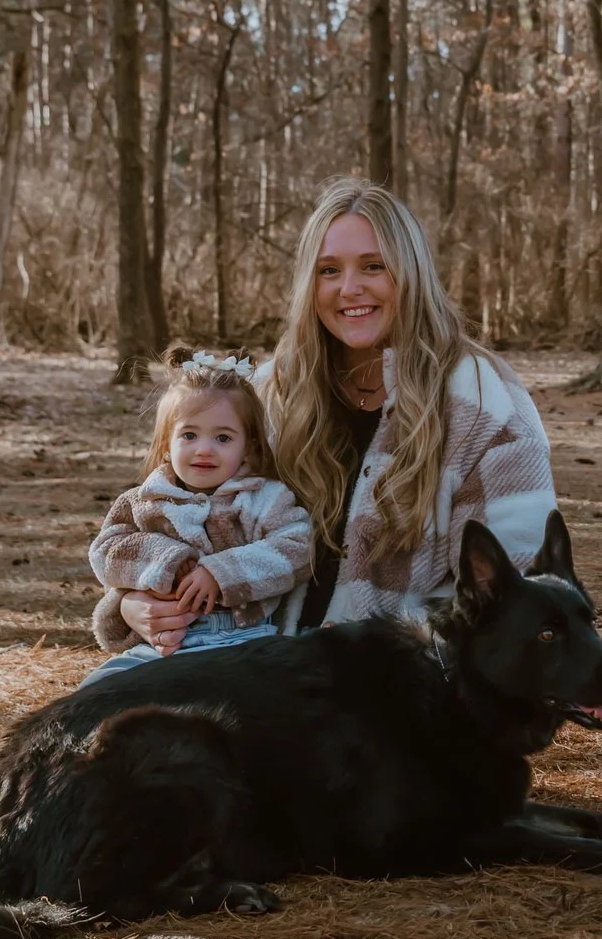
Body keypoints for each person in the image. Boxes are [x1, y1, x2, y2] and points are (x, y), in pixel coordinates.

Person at [116, 178, 557, 654]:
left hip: (401, 685)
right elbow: (171, 514)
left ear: (411, 273)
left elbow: (516, 589)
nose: (350, 289)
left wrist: (373, 649)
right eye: (329, 271)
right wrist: (131, 605)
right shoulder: (273, 391)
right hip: (248, 658)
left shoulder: (483, 399)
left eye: (374, 266)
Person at [82, 351, 313, 684]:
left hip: (245, 640)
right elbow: (106, 552)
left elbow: (297, 548)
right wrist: (165, 559)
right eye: (189, 435)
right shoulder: (144, 501)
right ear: (166, 445)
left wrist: (221, 573)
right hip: (164, 643)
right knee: (98, 690)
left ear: (247, 447)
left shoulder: (262, 498)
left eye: (223, 438)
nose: (204, 449)